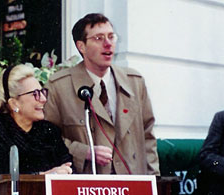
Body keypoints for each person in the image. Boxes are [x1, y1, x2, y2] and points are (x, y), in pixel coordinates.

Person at [44, 13, 160, 175]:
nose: (108, 44)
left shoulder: (135, 82)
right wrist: (84, 152)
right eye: (99, 38)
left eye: (111, 37)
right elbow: (46, 140)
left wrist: (153, 182)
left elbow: (148, 138)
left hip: (132, 187)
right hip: (87, 189)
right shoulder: (59, 86)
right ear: (81, 46)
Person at [0, 64, 73, 184]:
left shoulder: (49, 131)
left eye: (43, 92)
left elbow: (67, 165)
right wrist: (41, 176)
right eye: (35, 94)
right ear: (14, 103)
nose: (43, 99)